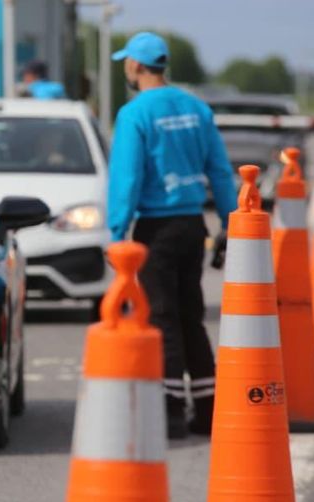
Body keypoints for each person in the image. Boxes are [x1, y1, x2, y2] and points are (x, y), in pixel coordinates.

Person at [106, 32, 236, 439]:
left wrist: (117, 231)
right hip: (192, 224)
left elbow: (126, 178)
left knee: (160, 316)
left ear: (135, 67)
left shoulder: (134, 114)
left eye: (127, 62)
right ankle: (208, 407)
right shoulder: (197, 109)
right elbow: (219, 169)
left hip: (155, 228)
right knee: (190, 315)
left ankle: (171, 411)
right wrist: (231, 222)